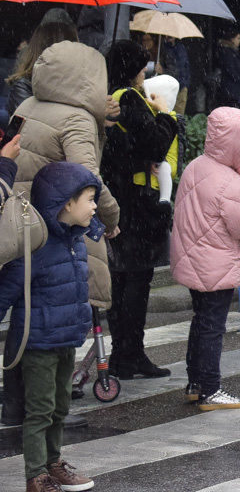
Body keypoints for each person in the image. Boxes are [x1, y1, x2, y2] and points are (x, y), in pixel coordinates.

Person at [5, 41, 122, 429]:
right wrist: (110, 215)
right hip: (57, 226)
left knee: (26, 310)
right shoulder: (76, 119)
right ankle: (49, 412)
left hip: (20, 223)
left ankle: (14, 404)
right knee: (56, 319)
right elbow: (88, 179)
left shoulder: (27, 106)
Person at [0, 162, 102, 492]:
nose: (94, 206)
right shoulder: (35, 244)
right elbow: (7, 289)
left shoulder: (77, 241)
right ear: (66, 203)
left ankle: (54, 463)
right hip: (37, 342)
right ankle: (36, 476)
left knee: (60, 407)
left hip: (65, 340)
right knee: (40, 411)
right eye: (89, 198)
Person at [170, 107, 240, 410]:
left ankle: (195, 382)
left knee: (201, 322)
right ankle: (211, 388)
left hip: (194, 258)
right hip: (217, 262)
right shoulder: (230, 181)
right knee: (213, 327)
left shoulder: (196, 166)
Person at [102, 40, 179, 380]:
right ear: (134, 67)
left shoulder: (110, 97)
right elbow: (157, 146)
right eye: (143, 64)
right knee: (136, 281)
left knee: (123, 282)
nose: (146, 71)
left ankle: (125, 353)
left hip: (120, 197)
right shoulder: (130, 98)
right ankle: (129, 354)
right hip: (137, 204)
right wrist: (166, 114)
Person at [5, 21, 79, 118]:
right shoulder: (24, 86)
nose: (79, 51)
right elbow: (33, 126)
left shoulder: (75, 81)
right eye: (75, 45)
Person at [140, 75, 184, 206]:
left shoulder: (167, 119)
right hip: (150, 182)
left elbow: (161, 145)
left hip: (155, 179)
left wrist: (155, 160)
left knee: (164, 169)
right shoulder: (163, 118)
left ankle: (165, 199)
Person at [208, 29, 240, 111]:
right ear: (232, 39)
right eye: (238, 38)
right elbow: (231, 70)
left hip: (230, 89)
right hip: (231, 90)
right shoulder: (228, 53)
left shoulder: (230, 52)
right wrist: (238, 79)